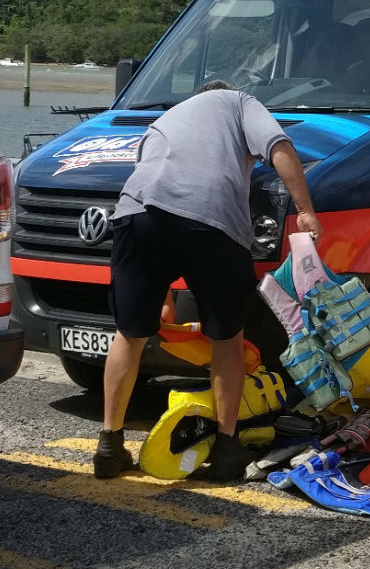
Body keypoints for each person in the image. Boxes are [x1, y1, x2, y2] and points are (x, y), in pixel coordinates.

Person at [93, 81, 322, 480]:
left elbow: (160, 197)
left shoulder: (164, 121)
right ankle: (227, 448)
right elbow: (279, 147)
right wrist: (305, 210)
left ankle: (109, 446)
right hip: (210, 219)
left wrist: (164, 294)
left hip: (135, 214)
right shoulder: (238, 102)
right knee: (226, 336)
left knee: (129, 333)